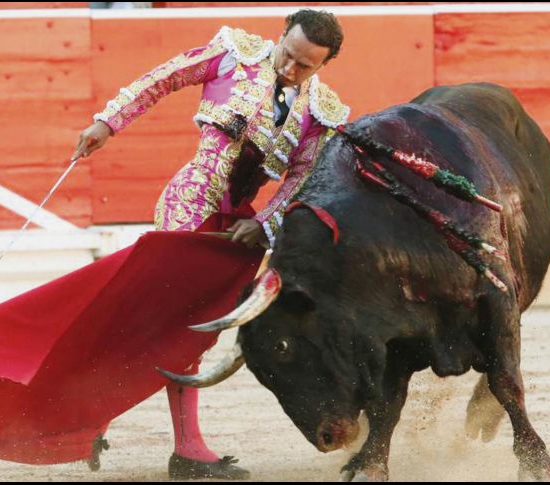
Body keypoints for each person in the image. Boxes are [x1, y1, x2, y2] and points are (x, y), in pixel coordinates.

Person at [73, 9, 348, 479]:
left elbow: (301, 181)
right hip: (188, 205)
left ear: (324, 65)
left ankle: (148, 435)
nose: (290, 69)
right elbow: (161, 79)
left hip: (237, 229)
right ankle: (149, 435)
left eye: (305, 65)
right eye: (289, 55)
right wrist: (108, 122)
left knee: (192, 329)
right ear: (280, 36)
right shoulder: (232, 55)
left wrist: (265, 222)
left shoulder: (319, 112)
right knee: (169, 320)